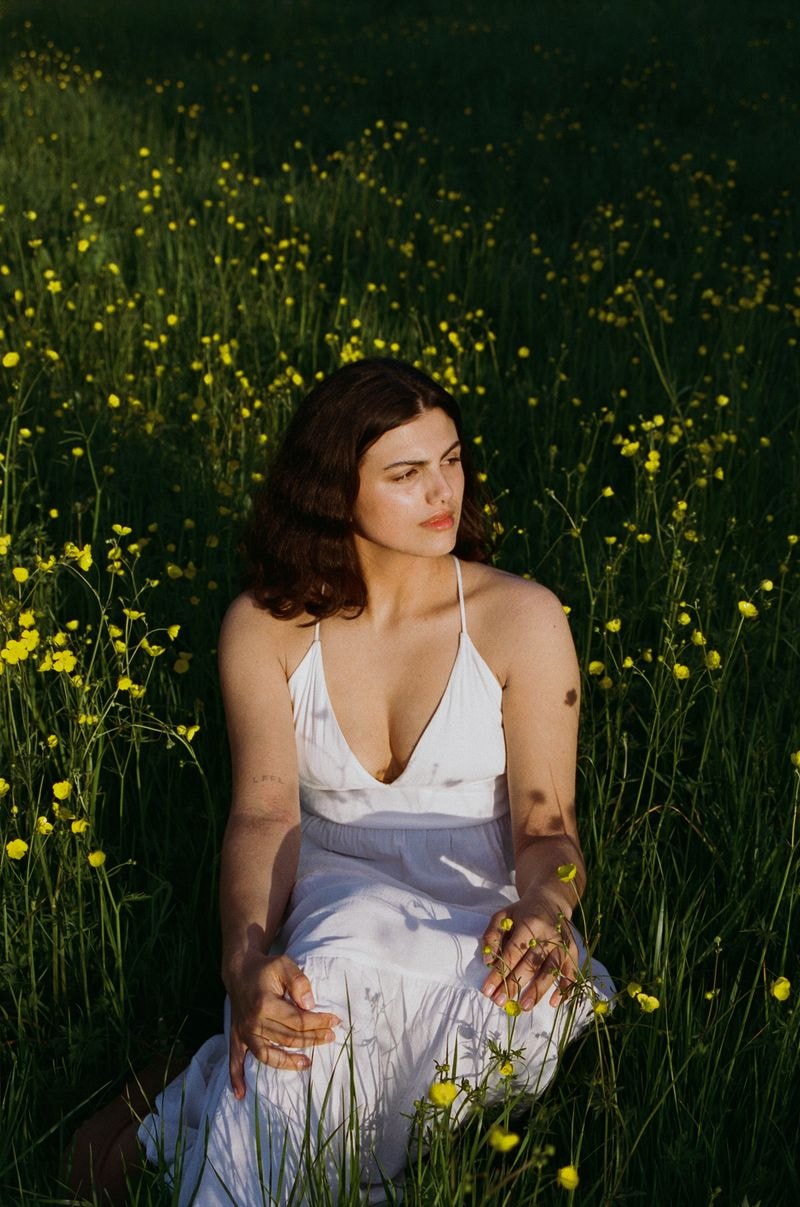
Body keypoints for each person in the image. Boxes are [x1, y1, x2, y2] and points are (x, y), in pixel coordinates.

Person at [138, 358, 613, 1205]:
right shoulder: (267, 626)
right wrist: (244, 961)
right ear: (333, 490)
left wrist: (546, 910)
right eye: (406, 473)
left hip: (482, 911)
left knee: (492, 1014)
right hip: (334, 899)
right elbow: (261, 814)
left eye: (452, 459)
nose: (444, 492)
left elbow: (550, 831)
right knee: (308, 1006)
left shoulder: (520, 616)